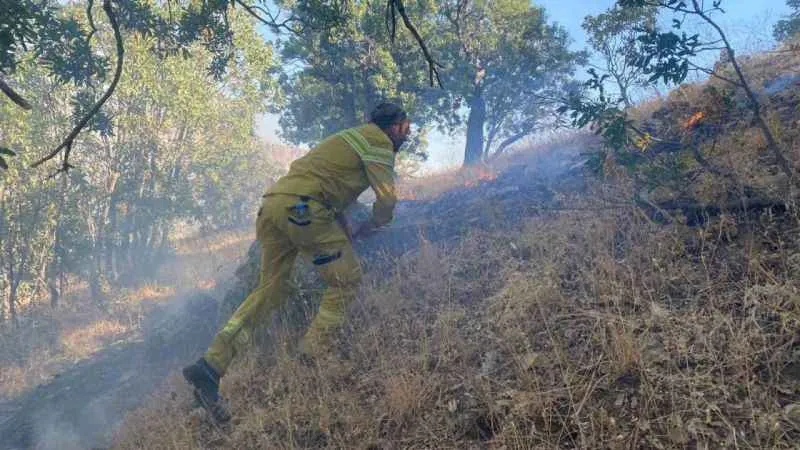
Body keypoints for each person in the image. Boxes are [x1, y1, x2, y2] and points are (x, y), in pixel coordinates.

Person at [182, 102, 410, 421]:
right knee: (346, 279)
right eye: (406, 128)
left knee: (270, 291)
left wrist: (345, 228)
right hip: (304, 209)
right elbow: (386, 199)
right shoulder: (379, 141)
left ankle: (211, 364)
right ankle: (313, 354)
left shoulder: (348, 138)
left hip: (273, 206)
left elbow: (332, 188)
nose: (406, 135)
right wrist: (374, 224)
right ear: (397, 126)